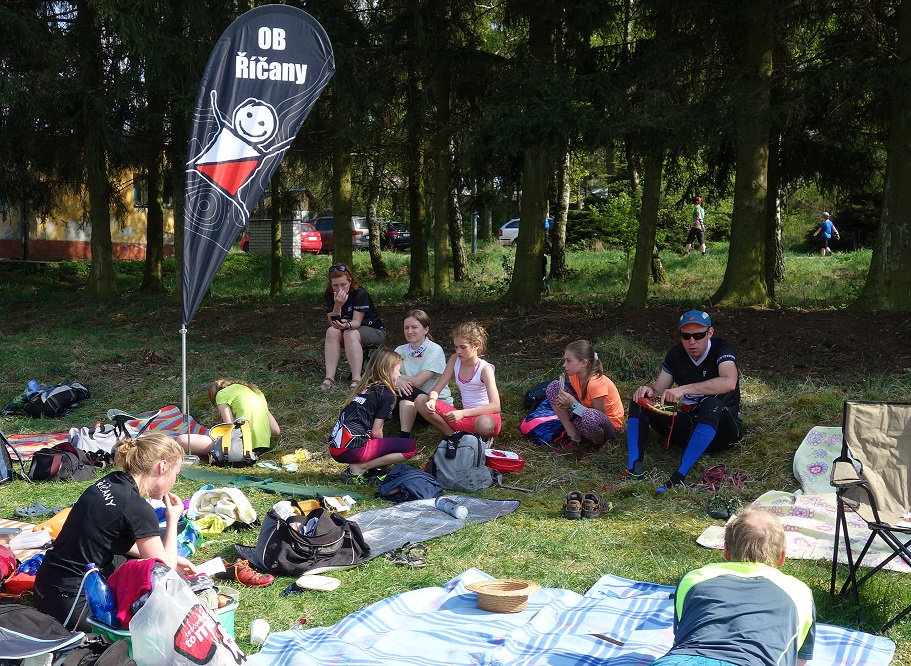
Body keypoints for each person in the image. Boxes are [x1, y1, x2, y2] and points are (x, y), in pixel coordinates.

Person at [34, 432, 198, 631]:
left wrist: (175, 559)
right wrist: (172, 519)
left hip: (44, 588)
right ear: (162, 466)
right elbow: (166, 573)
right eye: (176, 475)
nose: (174, 481)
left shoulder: (110, 481)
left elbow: (112, 539)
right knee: (158, 589)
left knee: (130, 561)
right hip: (72, 607)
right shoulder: (138, 508)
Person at [653, 507, 815, 666]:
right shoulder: (799, 592)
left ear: (726, 550)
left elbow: (682, 634)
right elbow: (799, 660)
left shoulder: (693, 580)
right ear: (782, 557)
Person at [625, 309, 743, 489]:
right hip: (690, 427)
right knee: (639, 399)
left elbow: (729, 382)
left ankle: (679, 475)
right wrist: (648, 390)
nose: (692, 341)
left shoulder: (721, 348)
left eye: (699, 335)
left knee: (712, 404)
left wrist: (684, 389)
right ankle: (634, 470)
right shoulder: (675, 354)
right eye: (686, 336)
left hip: (724, 431)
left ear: (710, 333)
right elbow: (658, 390)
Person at [328, 348, 417, 484]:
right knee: (410, 447)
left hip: (335, 449)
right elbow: (376, 432)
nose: (400, 375)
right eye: (398, 370)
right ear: (388, 369)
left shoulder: (364, 388)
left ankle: (360, 464)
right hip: (352, 450)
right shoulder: (386, 393)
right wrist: (381, 450)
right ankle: (361, 467)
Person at [415, 321, 501, 442]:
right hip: (463, 417)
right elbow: (436, 389)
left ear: (476, 345)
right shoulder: (454, 359)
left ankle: (482, 439)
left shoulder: (485, 369)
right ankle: (454, 437)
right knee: (420, 400)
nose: (458, 351)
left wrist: (463, 413)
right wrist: (432, 400)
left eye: (463, 347)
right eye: (456, 347)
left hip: (485, 417)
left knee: (484, 424)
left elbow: (495, 406)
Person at [546, 340, 625, 457]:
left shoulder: (596, 383)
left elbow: (598, 417)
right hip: (586, 420)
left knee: (590, 416)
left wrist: (573, 404)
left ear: (583, 363)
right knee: (553, 387)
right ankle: (574, 437)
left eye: (569, 361)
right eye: (565, 360)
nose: (564, 365)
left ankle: (597, 445)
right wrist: (565, 402)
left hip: (607, 430)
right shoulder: (574, 376)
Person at [320, 264, 386, 391]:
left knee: (350, 333)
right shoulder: (329, 294)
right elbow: (332, 321)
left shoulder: (360, 293)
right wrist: (337, 306)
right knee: (331, 331)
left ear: (350, 280)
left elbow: (356, 322)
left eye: (343, 284)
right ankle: (329, 377)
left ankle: (356, 379)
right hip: (349, 330)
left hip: (374, 330)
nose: (340, 289)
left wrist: (347, 325)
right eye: (335, 285)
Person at [176, 379, 280, 456]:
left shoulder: (222, 395)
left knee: (182, 440)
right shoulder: (256, 393)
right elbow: (276, 430)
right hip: (263, 448)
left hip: (242, 447)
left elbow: (230, 428)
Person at [393, 309, 452, 439]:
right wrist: (396, 380)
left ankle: (403, 438)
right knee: (384, 391)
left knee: (408, 389)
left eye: (414, 327)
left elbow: (418, 382)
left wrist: (396, 379)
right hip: (410, 401)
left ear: (426, 329)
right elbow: (383, 373)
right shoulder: (400, 350)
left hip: (432, 406)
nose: (409, 331)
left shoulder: (434, 350)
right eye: (406, 328)